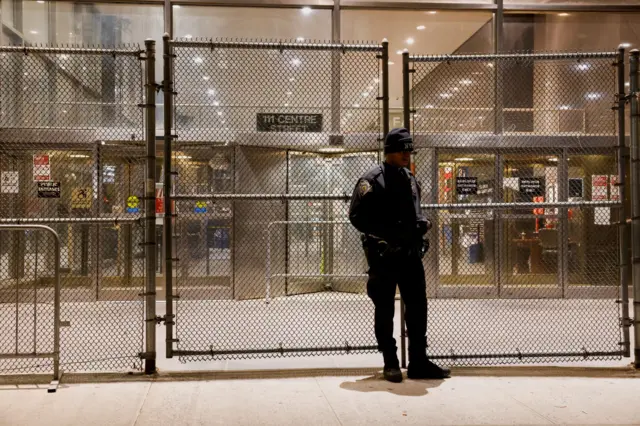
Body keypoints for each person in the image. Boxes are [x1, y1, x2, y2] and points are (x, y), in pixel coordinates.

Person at [349, 128, 450, 383]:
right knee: (384, 310)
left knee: (417, 309)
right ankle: (390, 362)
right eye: (402, 149)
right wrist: (389, 233)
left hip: (410, 256)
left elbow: (413, 212)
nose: (406, 154)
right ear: (389, 151)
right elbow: (357, 216)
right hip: (384, 256)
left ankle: (418, 361)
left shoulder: (410, 178)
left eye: (409, 150)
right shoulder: (371, 180)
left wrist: (420, 224)